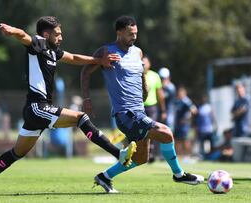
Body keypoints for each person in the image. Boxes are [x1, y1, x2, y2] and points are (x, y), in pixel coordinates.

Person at [0, 16, 137, 195]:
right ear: (45, 34)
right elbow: (23, 36)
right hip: (37, 107)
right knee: (81, 118)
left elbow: (73, 57)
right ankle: (118, 154)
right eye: (57, 34)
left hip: (36, 111)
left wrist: (98, 61)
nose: (61, 38)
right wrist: (12, 31)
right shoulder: (38, 44)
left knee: (16, 153)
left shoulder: (52, 51)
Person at [81, 15, 204, 193]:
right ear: (119, 32)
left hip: (140, 111)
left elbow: (140, 74)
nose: (134, 37)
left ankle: (104, 177)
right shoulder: (106, 51)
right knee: (166, 133)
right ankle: (179, 174)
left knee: (141, 158)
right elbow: (85, 72)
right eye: (130, 33)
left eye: (136, 33)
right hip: (125, 114)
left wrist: (145, 87)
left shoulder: (138, 52)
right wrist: (86, 99)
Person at [142, 55, 166, 163]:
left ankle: (150, 152)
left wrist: (163, 110)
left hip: (152, 107)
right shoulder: (135, 75)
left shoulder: (155, 76)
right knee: (140, 131)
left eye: (145, 63)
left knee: (151, 129)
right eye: (142, 63)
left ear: (149, 64)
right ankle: (142, 153)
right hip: (139, 108)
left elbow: (160, 94)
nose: (143, 65)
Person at [174, 86, 197, 160]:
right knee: (177, 140)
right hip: (178, 125)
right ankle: (178, 156)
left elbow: (194, 110)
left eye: (181, 93)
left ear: (184, 93)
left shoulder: (186, 101)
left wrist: (187, 118)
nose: (179, 94)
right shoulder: (178, 101)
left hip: (184, 125)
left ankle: (188, 156)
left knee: (185, 140)